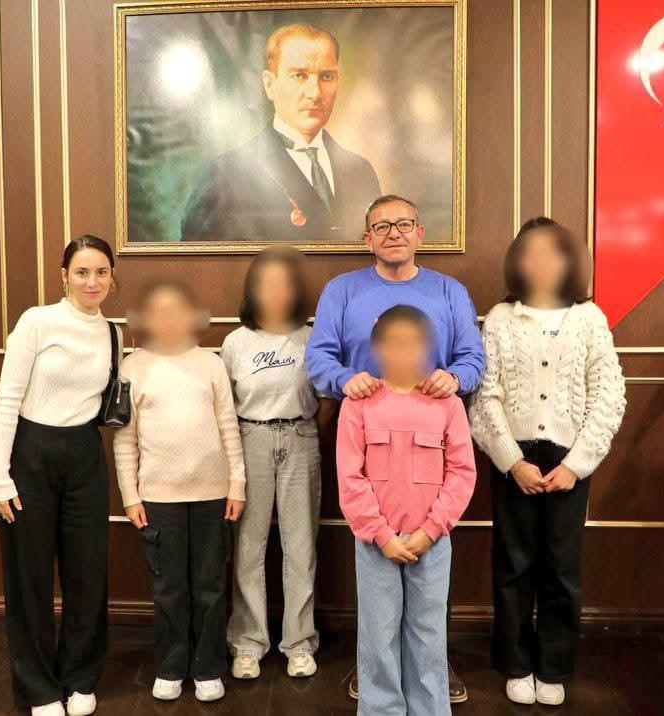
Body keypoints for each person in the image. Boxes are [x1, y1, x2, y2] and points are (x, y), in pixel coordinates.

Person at [305, 193, 484, 703]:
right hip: (365, 433)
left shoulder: (449, 292)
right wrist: (345, 379)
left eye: (404, 223)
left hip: (433, 439)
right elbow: (318, 357)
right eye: (381, 226)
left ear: (420, 233)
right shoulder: (342, 290)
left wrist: (454, 378)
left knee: (430, 593)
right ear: (368, 239)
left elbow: (473, 357)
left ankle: (431, 676)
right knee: (378, 597)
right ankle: (377, 679)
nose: (394, 233)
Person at [469, 217, 626, 706]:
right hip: (513, 456)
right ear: (517, 262)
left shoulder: (589, 319)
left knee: (561, 567)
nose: (540, 261)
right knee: (513, 565)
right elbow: (485, 395)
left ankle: (553, 666)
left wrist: (577, 464)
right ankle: (516, 664)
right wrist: (510, 461)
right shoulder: (500, 318)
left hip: (568, 459)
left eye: (552, 252)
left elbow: (609, 394)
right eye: (530, 252)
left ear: (570, 261)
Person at [0, 235, 118, 716]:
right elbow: (7, 401)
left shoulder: (113, 333)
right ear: (64, 276)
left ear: (112, 278)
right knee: (30, 575)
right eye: (82, 272)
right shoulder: (37, 322)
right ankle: (39, 687)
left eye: (101, 272)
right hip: (30, 454)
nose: (92, 281)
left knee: (88, 572)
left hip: (85, 455)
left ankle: (80, 677)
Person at [337, 305, 476, 715]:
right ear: (376, 348)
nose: (404, 351)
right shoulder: (358, 405)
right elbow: (350, 477)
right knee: (377, 634)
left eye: (414, 343)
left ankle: (430, 708)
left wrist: (430, 530)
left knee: (428, 632)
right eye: (394, 343)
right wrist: (381, 534)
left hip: (431, 542)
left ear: (429, 348)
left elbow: (461, 473)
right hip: (375, 543)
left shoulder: (447, 405)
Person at [113, 279, 246, 703]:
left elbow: (229, 427)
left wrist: (237, 484)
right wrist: (131, 495)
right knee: (169, 588)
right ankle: (171, 666)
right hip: (158, 499)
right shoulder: (133, 367)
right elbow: (124, 440)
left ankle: (208, 667)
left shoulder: (210, 364)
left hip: (212, 495)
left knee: (210, 585)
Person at [181, 23, 380, 243]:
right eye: (299, 75)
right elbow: (198, 258)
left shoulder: (362, 172)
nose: (315, 93)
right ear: (269, 84)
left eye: (326, 77)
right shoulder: (224, 177)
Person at [223, 247, 322, 681]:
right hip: (250, 439)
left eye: (284, 283)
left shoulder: (311, 338)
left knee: (300, 546)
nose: (276, 292)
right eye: (267, 283)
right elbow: (224, 405)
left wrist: (307, 432)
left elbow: (326, 400)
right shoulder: (236, 342)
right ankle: (248, 643)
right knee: (249, 545)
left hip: (301, 437)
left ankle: (299, 643)